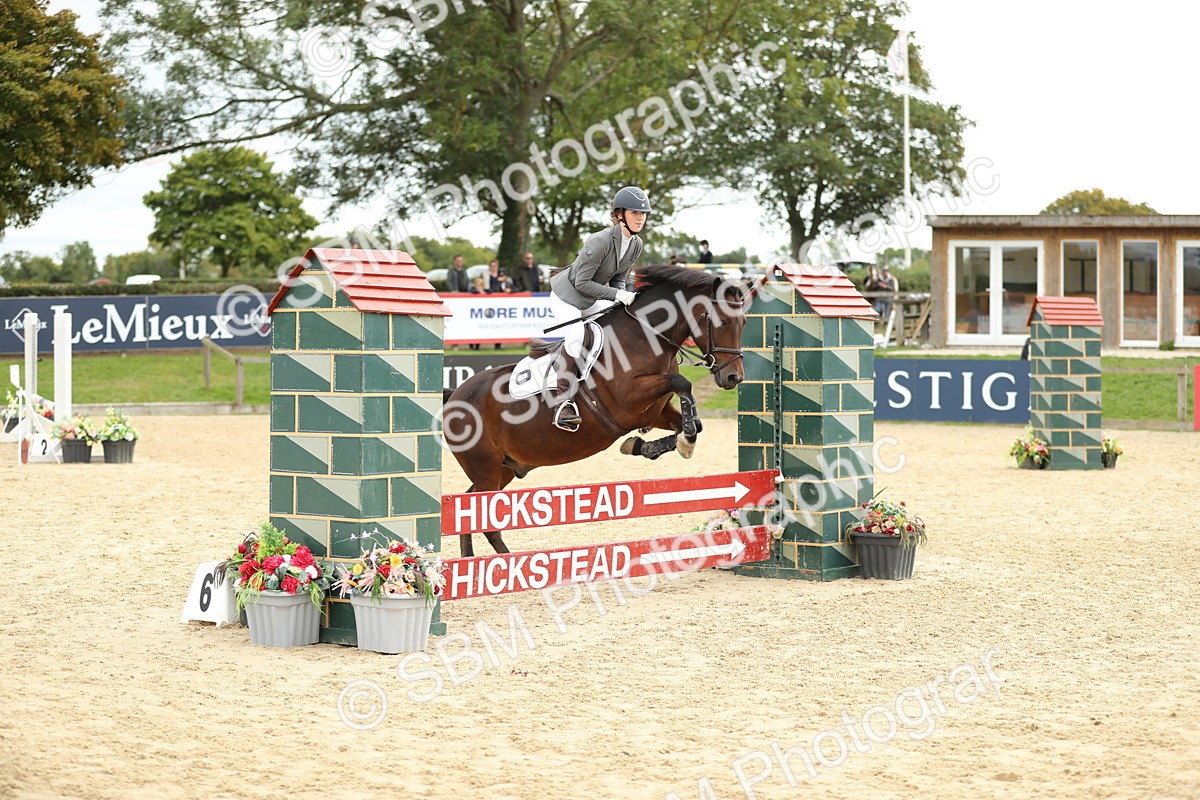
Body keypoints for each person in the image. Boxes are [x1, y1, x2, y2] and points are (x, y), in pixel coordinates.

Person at [545, 185, 649, 431]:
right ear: (619, 214)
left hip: (592, 297)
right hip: (567, 297)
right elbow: (581, 283)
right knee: (578, 336)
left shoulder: (636, 244)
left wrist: (620, 297)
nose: (640, 218)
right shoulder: (599, 241)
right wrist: (618, 295)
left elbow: (618, 279)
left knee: (624, 323)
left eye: (643, 214)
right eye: (635, 212)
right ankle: (562, 401)